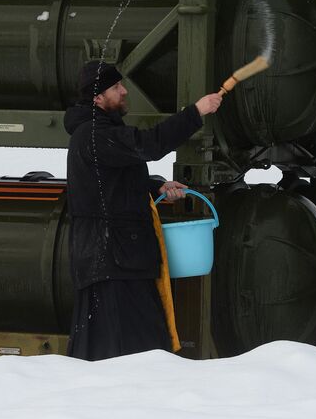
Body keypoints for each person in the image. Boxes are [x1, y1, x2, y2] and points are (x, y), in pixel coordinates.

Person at [63, 60, 222, 361]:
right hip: (113, 262)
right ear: (97, 98)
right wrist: (195, 112)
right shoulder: (96, 134)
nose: (124, 91)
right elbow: (149, 145)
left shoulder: (98, 132)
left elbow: (109, 181)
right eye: (115, 87)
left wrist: (154, 187)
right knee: (134, 353)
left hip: (114, 260)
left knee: (117, 350)